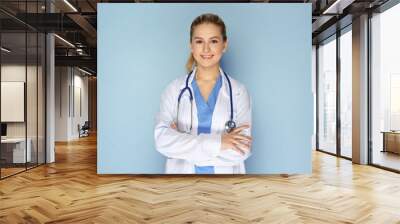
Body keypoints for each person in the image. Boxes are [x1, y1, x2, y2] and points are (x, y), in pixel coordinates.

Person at [154, 13, 252, 174]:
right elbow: (162, 141)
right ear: (191, 46)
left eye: (213, 41)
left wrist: (181, 145)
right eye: (199, 41)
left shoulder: (239, 92)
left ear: (224, 45)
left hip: (225, 188)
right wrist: (220, 143)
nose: (206, 49)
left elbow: (241, 150)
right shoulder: (174, 89)